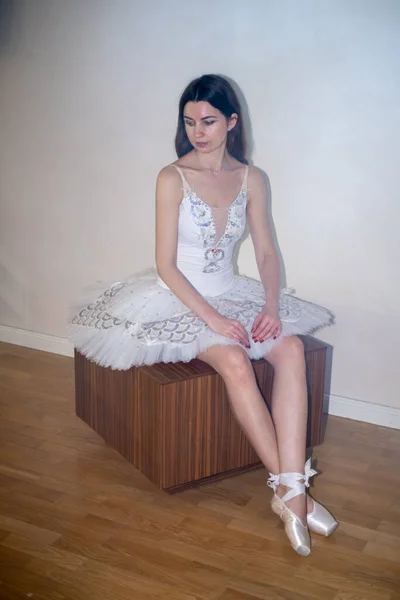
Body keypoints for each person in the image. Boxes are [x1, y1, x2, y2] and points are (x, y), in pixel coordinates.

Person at [69, 74, 338, 556]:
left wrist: (272, 308)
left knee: (292, 347)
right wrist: (212, 320)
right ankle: (294, 494)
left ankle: (289, 491)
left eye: (209, 121)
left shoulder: (252, 178)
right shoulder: (171, 176)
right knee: (234, 359)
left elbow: (267, 254)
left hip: (232, 290)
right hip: (181, 296)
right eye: (190, 121)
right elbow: (166, 266)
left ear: (232, 122)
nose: (199, 131)